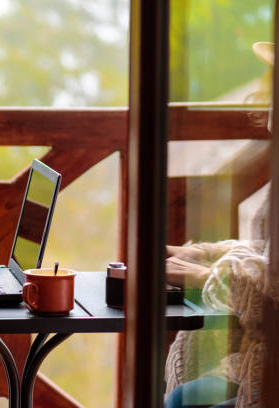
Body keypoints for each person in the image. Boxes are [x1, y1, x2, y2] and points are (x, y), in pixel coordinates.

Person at [163, 42, 278, 408]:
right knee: (182, 399)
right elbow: (265, 254)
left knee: (183, 402)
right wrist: (203, 253)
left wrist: (203, 278)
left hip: (269, 377)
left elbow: (272, 295)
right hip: (261, 364)